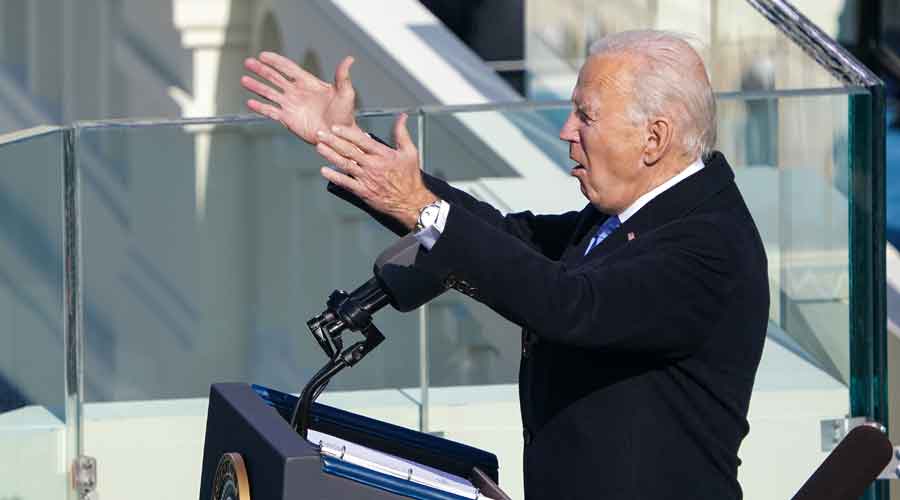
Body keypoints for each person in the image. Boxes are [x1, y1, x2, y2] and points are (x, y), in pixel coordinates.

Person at [241, 30, 769, 500]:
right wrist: (350, 143)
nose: (566, 130)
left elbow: (571, 305)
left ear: (654, 138)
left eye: (586, 115)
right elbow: (508, 237)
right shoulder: (632, 212)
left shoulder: (709, 246)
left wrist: (419, 207)